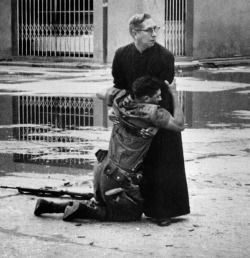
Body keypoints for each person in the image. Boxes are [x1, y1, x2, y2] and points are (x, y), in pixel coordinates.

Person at [34, 76, 185, 223]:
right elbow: (179, 125)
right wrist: (174, 93)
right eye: (157, 96)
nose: (160, 99)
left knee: (101, 202)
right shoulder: (153, 112)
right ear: (145, 99)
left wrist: (113, 108)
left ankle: (49, 206)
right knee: (130, 213)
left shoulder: (120, 97)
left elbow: (99, 93)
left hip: (101, 168)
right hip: (119, 178)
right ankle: (83, 210)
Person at [111, 13, 190, 225]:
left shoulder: (165, 57)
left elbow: (164, 93)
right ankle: (132, 206)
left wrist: (155, 124)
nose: (155, 34)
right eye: (149, 30)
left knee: (162, 160)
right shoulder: (121, 55)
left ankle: (163, 211)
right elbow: (119, 87)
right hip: (133, 117)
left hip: (160, 114)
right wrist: (115, 109)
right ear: (135, 33)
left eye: (156, 29)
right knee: (130, 163)